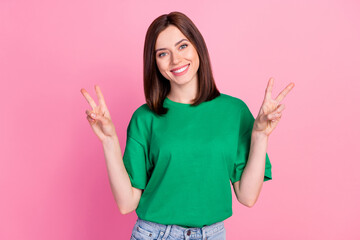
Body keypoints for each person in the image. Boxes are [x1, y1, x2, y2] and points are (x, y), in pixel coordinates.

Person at [81, 11, 294, 240]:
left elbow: (247, 196)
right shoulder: (145, 118)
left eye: (182, 46)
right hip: (154, 234)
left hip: (212, 234)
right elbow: (126, 203)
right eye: (163, 53)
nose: (175, 60)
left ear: (197, 46)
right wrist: (109, 141)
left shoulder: (235, 112)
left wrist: (261, 135)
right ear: (154, 62)